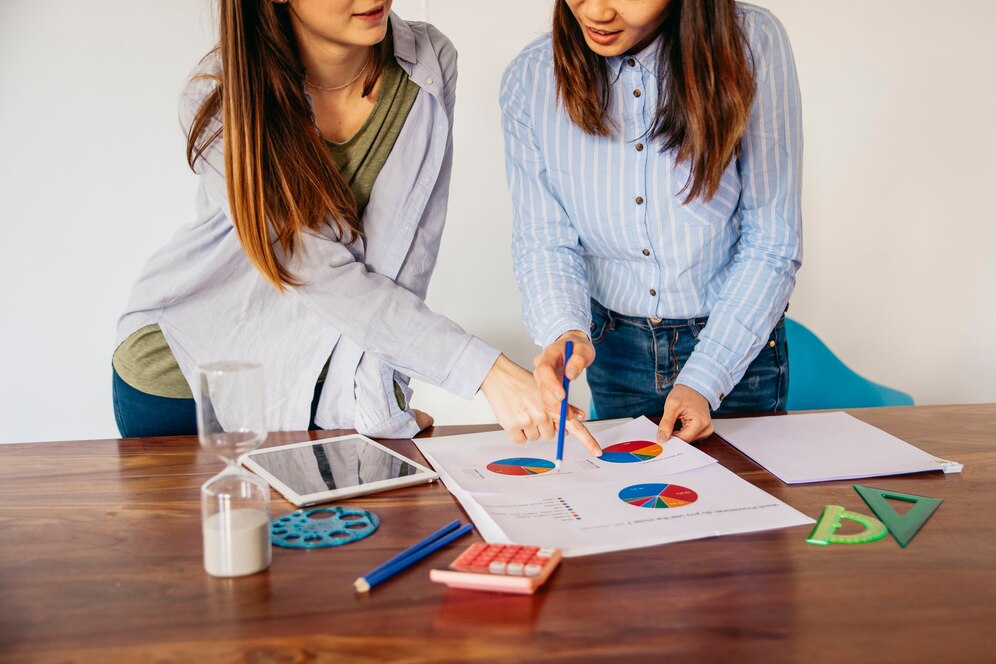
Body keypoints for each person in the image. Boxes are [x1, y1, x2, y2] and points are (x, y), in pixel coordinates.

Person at [112, 0, 599, 454]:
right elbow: (316, 274)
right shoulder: (222, 96)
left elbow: (406, 262)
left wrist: (381, 403)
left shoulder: (427, 66)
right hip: (185, 380)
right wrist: (488, 372)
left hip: (317, 393)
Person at [501, 0, 802, 445]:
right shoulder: (530, 77)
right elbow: (545, 239)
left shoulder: (751, 41)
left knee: (739, 488)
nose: (596, 11)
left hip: (734, 344)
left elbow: (772, 240)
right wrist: (563, 330)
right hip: (615, 347)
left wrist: (706, 377)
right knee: (632, 487)